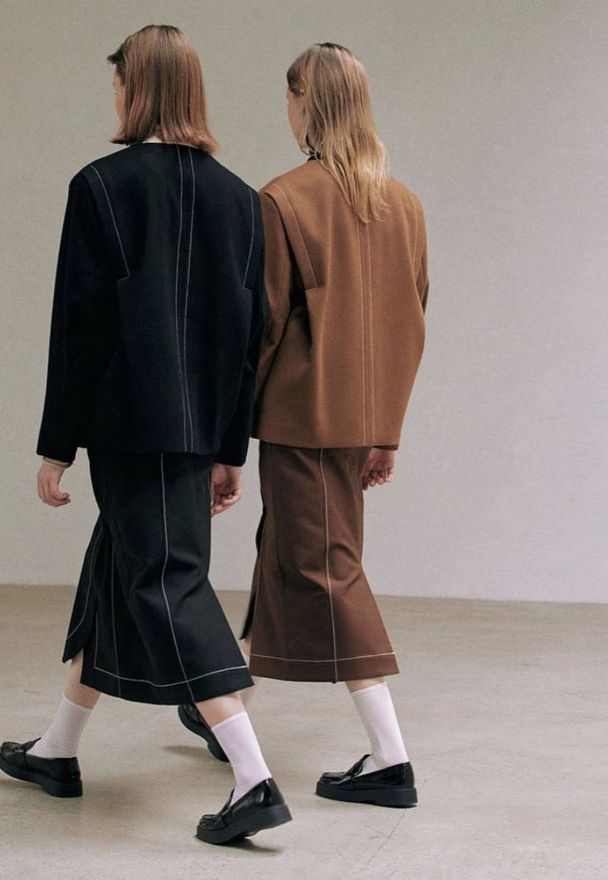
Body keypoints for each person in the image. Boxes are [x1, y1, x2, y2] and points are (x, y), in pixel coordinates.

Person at [0, 24, 291, 846]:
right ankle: (57, 750)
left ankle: (254, 778)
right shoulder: (238, 197)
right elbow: (249, 331)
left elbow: (78, 327)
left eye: (118, 82)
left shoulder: (101, 185)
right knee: (112, 576)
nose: (114, 96)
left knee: (168, 585)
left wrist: (58, 442)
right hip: (197, 430)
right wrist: (231, 447)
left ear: (137, 89)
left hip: (131, 425)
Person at [181, 43, 429, 809]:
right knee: (286, 554)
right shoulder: (404, 204)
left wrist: (229, 437)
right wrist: (386, 429)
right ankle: (226, 712)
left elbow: (260, 329)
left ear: (304, 103)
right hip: (358, 423)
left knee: (326, 568)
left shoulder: (283, 199)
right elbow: (410, 323)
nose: (284, 111)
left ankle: (391, 758)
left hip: (300, 418)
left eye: (288, 98)